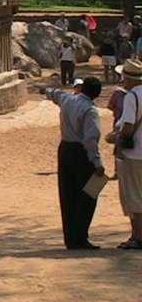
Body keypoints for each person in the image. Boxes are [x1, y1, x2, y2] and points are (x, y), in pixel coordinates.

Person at [42, 77, 105, 250]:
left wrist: (45, 90)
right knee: (89, 195)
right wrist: (97, 162)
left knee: (67, 193)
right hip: (82, 153)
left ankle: (70, 238)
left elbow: (54, 93)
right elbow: (91, 139)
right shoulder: (90, 110)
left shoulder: (67, 99)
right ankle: (81, 237)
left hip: (65, 149)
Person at [112, 59, 142, 249]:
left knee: (134, 196)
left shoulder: (133, 97)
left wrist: (115, 137)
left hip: (135, 153)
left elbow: (129, 126)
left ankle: (137, 236)